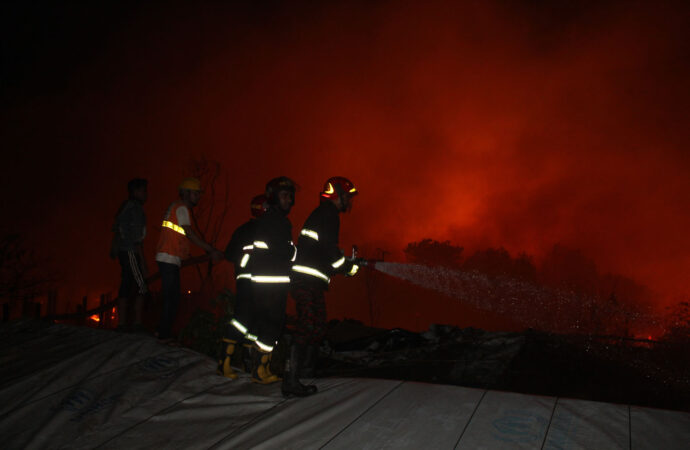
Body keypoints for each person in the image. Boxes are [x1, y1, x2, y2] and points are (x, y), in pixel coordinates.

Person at [288, 177, 361, 395]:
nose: (350, 201)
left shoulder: (323, 214)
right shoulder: (329, 214)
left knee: (317, 326)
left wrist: (342, 263)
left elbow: (324, 249)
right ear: (338, 195)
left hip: (312, 280)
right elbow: (330, 252)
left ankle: (307, 373)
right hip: (306, 280)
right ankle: (291, 378)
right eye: (348, 196)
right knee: (308, 326)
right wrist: (347, 267)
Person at [240, 177, 297, 386]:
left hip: (266, 281)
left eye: (290, 196)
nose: (289, 200)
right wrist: (293, 252)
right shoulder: (277, 221)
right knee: (272, 325)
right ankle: (260, 369)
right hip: (272, 283)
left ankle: (258, 365)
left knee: (265, 325)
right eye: (284, 196)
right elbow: (283, 250)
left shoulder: (269, 219)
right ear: (273, 197)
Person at [155, 177, 224, 341]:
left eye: (198, 194)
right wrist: (210, 249)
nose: (198, 197)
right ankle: (163, 335)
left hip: (169, 257)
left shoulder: (176, 207)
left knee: (172, 298)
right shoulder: (182, 208)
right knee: (172, 299)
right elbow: (189, 233)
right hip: (169, 257)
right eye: (195, 193)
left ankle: (161, 332)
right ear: (185, 193)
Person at [217, 194, 268, 380]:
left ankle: (246, 363)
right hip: (253, 282)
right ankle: (225, 363)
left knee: (253, 322)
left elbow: (230, 254)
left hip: (250, 281)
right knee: (244, 321)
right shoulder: (266, 231)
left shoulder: (242, 230)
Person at [113, 178, 148, 331]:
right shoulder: (134, 209)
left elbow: (118, 228)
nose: (146, 194)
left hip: (124, 250)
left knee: (126, 284)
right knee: (141, 286)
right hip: (130, 251)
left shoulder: (126, 207)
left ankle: (122, 324)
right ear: (136, 191)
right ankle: (137, 324)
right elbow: (136, 238)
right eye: (143, 190)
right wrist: (142, 260)